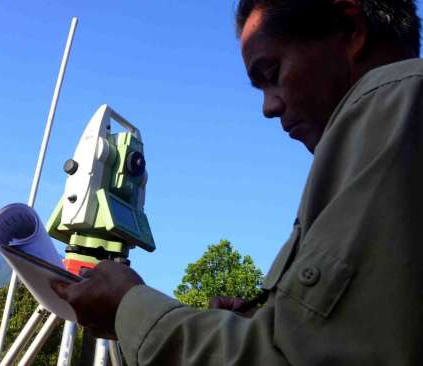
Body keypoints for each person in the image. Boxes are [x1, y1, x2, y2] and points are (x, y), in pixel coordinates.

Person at [52, 0, 423, 364]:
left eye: (272, 72)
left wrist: (130, 309)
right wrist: (263, 323)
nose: (268, 107)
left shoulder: (398, 109)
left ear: (350, 29)